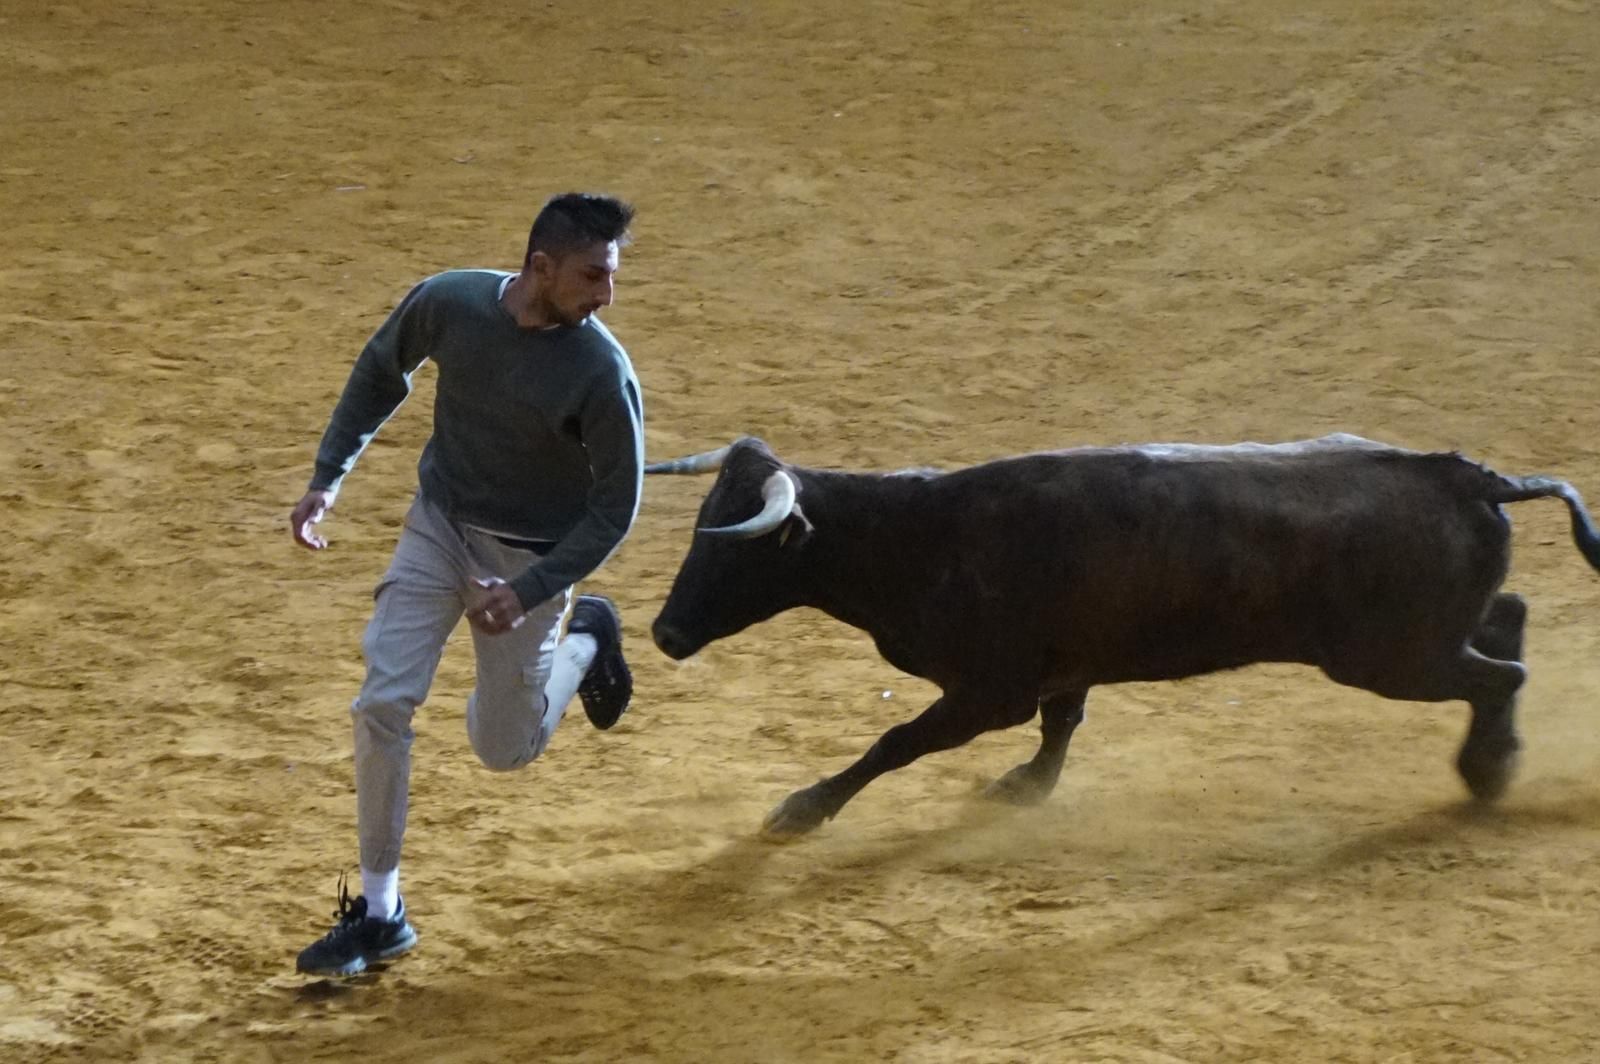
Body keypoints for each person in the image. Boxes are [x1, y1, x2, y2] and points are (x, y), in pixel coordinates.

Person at [288, 192, 645, 977]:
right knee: (383, 699)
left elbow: (616, 510)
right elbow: (382, 369)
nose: (607, 295)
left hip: (531, 560)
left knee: (503, 748)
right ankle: (381, 915)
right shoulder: (450, 303)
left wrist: (532, 589)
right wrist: (328, 477)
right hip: (439, 527)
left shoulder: (601, 372)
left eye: (612, 277)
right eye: (593, 276)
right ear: (540, 267)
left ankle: (585, 639)